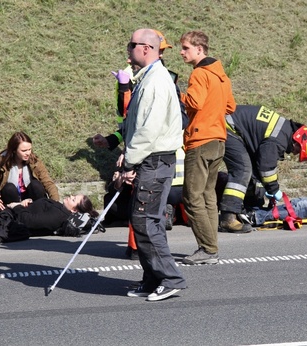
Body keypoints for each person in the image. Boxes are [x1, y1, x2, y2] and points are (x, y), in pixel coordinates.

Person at [120, 28, 186, 301]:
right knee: (144, 220)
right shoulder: (148, 78)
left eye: (131, 44)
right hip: (151, 160)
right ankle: (152, 278)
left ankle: (170, 278)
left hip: (155, 161)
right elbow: (135, 123)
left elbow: (148, 129)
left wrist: (130, 162)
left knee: (146, 221)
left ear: (146, 48)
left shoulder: (156, 81)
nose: (128, 49)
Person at [179, 31, 236, 265]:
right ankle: (211, 246)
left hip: (201, 141)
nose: (182, 52)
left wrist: (176, 94)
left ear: (199, 50)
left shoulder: (199, 73)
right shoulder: (221, 75)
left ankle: (208, 249)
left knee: (192, 197)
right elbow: (230, 106)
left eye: (186, 48)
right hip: (218, 140)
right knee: (207, 195)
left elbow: (194, 102)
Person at [219, 105, 307, 232]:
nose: (294, 153)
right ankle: (228, 218)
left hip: (229, 127)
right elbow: (265, 167)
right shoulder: (280, 139)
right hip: (224, 127)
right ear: (298, 140)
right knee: (243, 170)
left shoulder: (284, 131)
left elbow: (259, 166)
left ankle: (247, 208)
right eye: (298, 150)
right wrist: (274, 189)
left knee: (251, 173)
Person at [0, 131, 59, 204]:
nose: (28, 153)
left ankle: (39, 211)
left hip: (31, 198)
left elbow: (48, 182)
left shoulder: (34, 161)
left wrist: (56, 203)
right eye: (24, 151)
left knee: (36, 185)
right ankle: (13, 214)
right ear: (14, 150)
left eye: (29, 149)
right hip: (11, 199)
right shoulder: (3, 161)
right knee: (9, 188)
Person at [8, 194, 98, 236]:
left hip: (9, 220)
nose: (70, 196)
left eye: (73, 199)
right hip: (13, 213)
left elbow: (27, 220)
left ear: (74, 210)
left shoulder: (57, 217)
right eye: (73, 196)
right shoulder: (61, 208)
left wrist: (17, 207)